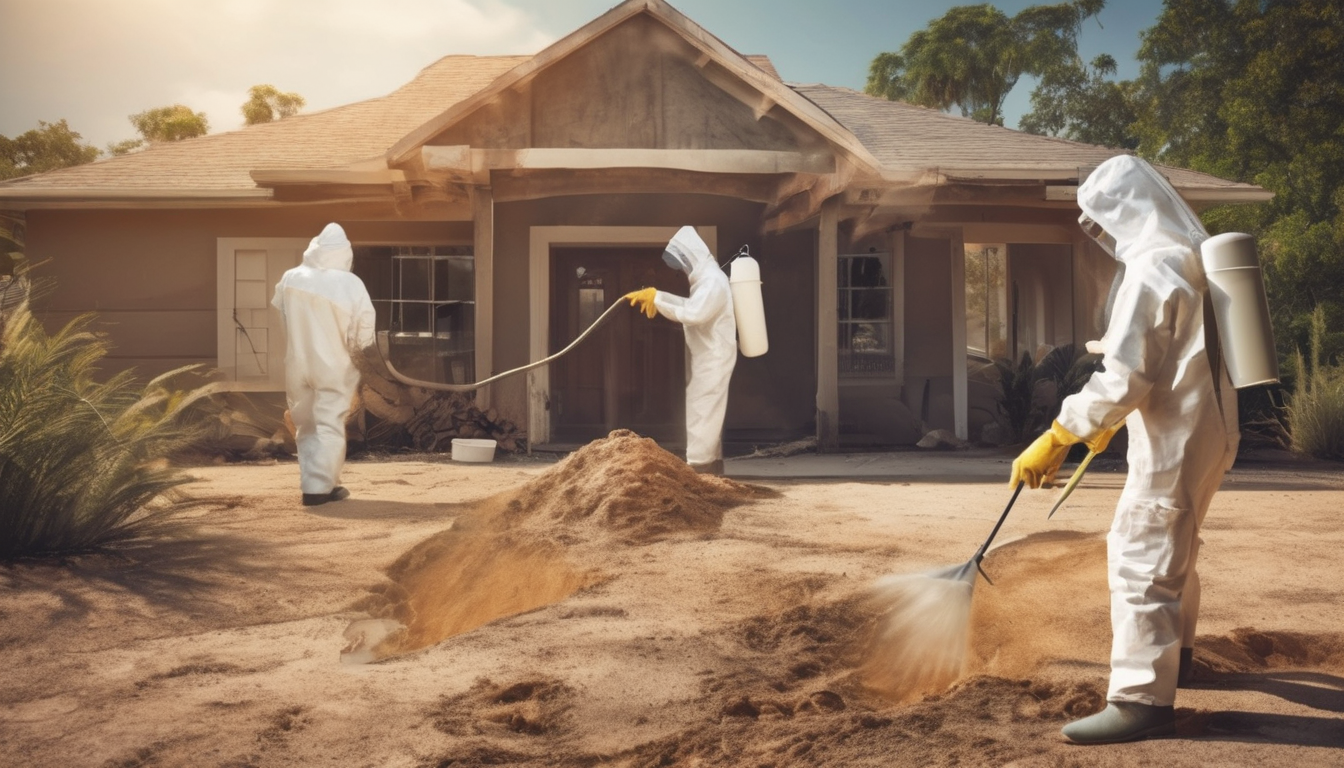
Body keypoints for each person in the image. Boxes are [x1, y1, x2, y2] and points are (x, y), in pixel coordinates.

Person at [1009, 155, 1239, 744]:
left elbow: (1126, 375)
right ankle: (1178, 659)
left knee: (1141, 551)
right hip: (1210, 430)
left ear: (1125, 210)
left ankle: (1141, 699)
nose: (1103, 235)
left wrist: (1060, 433)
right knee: (1178, 540)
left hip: (1175, 435)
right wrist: (1106, 426)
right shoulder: (1191, 256)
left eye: (1104, 219)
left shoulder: (1153, 268)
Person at [271, 222, 376, 506]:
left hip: (296, 363)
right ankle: (320, 489)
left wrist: (294, 347)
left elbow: (280, 314)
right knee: (329, 424)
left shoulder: (291, 277)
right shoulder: (350, 283)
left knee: (305, 425)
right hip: (333, 364)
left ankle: (314, 485)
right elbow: (365, 327)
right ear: (344, 254)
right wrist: (359, 352)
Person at [625, 226, 737, 474]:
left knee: (702, 410)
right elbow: (692, 306)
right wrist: (657, 295)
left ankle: (699, 469)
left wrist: (659, 301)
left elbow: (695, 313)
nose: (683, 268)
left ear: (693, 256)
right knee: (707, 411)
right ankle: (712, 468)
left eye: (684, 261)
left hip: (714, 356)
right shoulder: (708, 280)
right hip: (709, 355)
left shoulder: (713, 282)